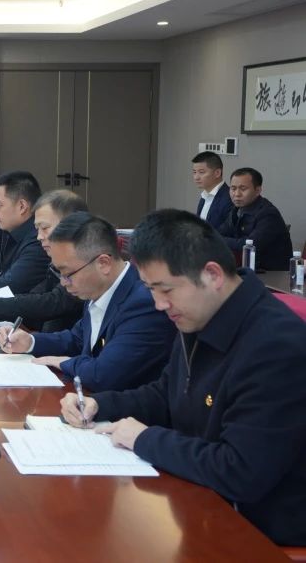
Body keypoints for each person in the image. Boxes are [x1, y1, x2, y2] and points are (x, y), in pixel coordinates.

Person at [60, 209, 306, 546]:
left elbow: (240, 471)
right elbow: (167, 395)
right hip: (199, 504)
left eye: (166, 290)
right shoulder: (200, 313)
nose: (159, 305)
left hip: (258, 533)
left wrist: (144, 439)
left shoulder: (276, 346)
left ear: (212, 275)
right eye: (150, 290)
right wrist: (100, 404)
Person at [0, 212, 174, 391]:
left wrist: (63, 362)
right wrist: (30, 341)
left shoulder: (144, 303)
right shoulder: (98, 289)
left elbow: (104, 374)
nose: (63, 282)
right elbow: (77, 339)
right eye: (59, 272)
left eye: (68, 273)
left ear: (103, 263)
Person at [0, 189, 88, 332]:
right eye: (37, 229)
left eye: (44, 228)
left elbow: (53, 302)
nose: (39, 236)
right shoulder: (13, 236)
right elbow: (34, 297)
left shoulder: (83, 264)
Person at [216, 167, 293, 270]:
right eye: (233, 188)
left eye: (243, 189)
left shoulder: (268, 214)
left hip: (271, 273)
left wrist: (217, 239)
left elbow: (249, 245)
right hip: (248, 269)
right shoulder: (236, 209)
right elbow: (220, 232)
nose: (237, 194)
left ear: (257, 190)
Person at [191, 151, 232, 230]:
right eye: (194, 172)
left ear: (217, 173)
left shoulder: (229, 198)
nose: (196, 177)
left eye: (201, 172)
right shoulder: (204, 196)